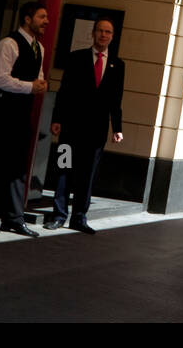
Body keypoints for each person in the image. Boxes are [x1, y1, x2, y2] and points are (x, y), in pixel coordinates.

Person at [44, 16, 124, 234]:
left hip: (96, 132)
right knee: (63, 170)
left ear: (112, 37)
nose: (103, 35)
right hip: (69, 129)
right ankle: (59, 215)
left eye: (108, 32)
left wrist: (117, 128)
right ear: (93, 33)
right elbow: (64, 91)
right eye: (100, 30)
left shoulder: (118, 65)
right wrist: (57, 119)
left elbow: (116, 100)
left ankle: (79, 217)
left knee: (86, 176)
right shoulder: (76, 58)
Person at [0, 1, 49, 236]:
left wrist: (38, 84)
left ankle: (14, 218)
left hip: (21, 114)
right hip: (2, 113)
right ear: (27, 19)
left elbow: (37, 76)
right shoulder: (8, 44)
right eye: (41, 17)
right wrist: (30, 87)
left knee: (17, 167)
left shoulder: (39, 48)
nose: (46, 21)